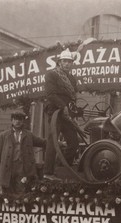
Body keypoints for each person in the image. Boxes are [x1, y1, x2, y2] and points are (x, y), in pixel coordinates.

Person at [43, 48, 80, 181]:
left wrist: (73, 110)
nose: (67, 64)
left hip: (67, 114)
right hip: (54, 111)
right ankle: (48, 173)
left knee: (74, 143)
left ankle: (62, 166)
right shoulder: (51, 75)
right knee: (53, 141)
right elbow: (50, 94)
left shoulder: (72, 79)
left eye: (69, 62)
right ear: (59, 62)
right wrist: (63, 106)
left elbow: (73, 97)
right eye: (65, 61)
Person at [0, 111, 46, 193]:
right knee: (8, 195)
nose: (17, 122)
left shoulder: (29, 135)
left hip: (23, 170)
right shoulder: (4, 135)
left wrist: (58, 143)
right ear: (12, 121)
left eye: (20, 120)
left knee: (22, 194)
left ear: (23, 121)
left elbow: (43, 142)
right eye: (15, 119)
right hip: (7, 170)